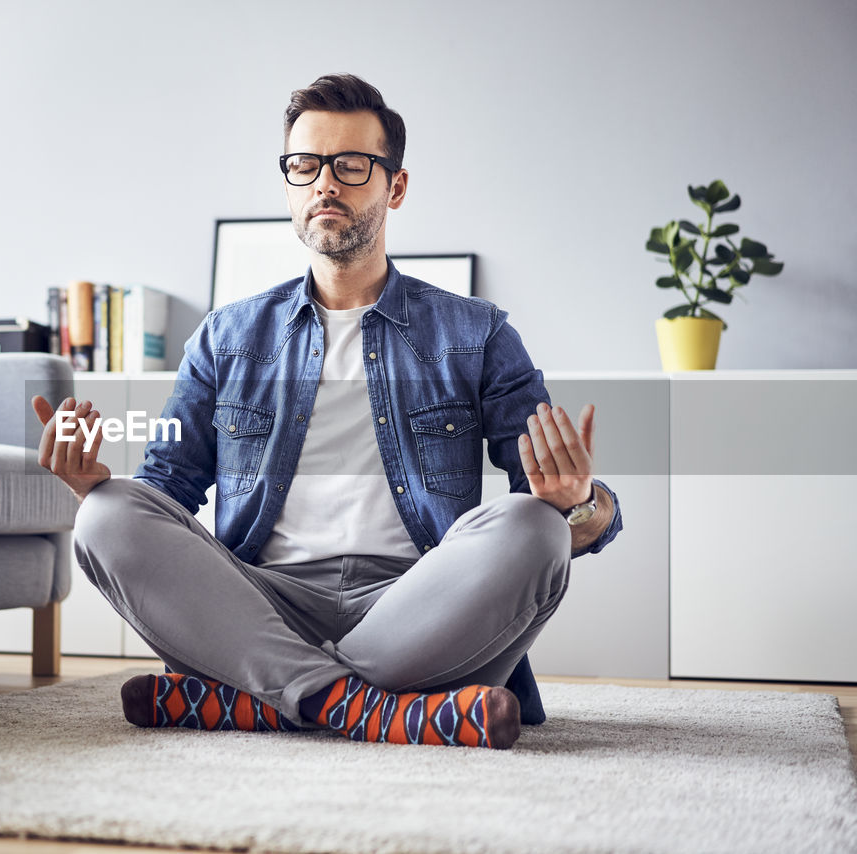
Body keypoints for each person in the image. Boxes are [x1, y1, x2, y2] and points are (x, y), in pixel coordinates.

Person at [32, 73, 622, 749]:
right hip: (261, 611)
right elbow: (166, 493)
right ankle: (376, 712)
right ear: (288, 181)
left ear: (394, 187)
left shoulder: (475, 334)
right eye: (305, 165)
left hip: (419, 609)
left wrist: (578, 504)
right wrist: (90, 485)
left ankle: (262, 701)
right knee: (107, 515)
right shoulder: (227, 338)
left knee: (536, 529)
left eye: (350, 165)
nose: (325, 184)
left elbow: (565, 520)